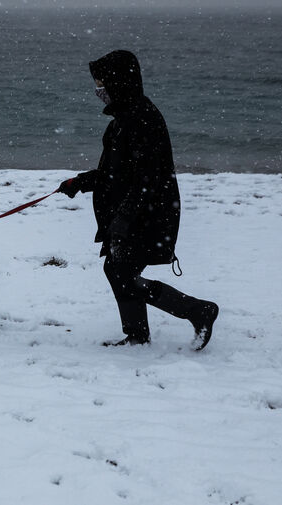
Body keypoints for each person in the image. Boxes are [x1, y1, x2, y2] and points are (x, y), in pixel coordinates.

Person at [57, 50, 218, 350]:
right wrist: (80, 182)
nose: (98, 90)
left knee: (123, 274)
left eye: (102, 83)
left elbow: (148, 178)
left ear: (119, 83)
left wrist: (123, 219)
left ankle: (197, 311)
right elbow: (114, 174)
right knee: (118, 271)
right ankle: (137, 334)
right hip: (131, 212)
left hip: (146, 214)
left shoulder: (142, 118)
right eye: (97, 84)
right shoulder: (122, 119)